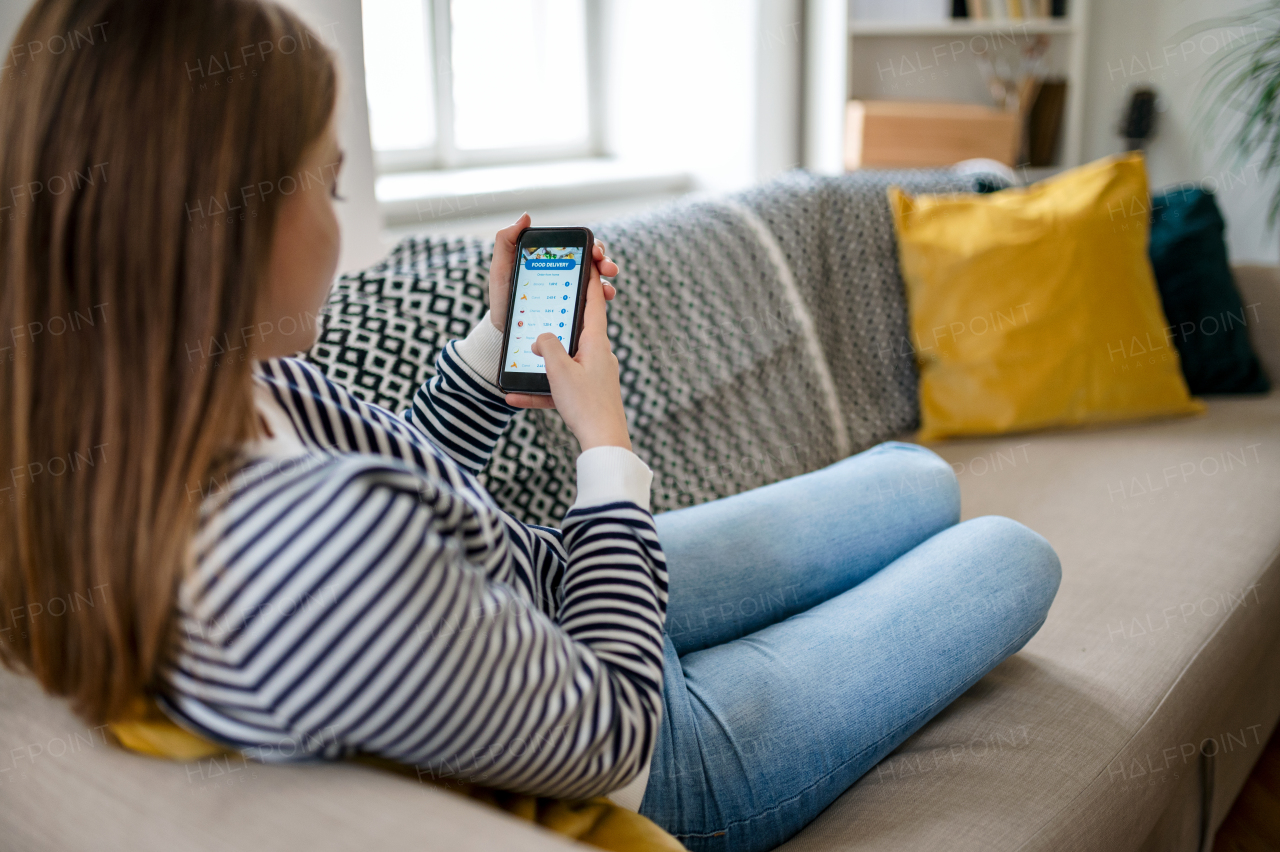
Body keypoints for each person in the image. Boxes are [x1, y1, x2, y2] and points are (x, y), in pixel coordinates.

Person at [0, 2, 1060, 851]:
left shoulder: (199, 388)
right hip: (655, 746)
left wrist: (490, 344)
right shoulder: (293, 554)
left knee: (913, 478)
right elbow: (611, 730)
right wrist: (605, 442)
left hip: (548, 590)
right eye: (326, 183)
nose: (338, 215)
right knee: (1010, 554)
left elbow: (402, 490)